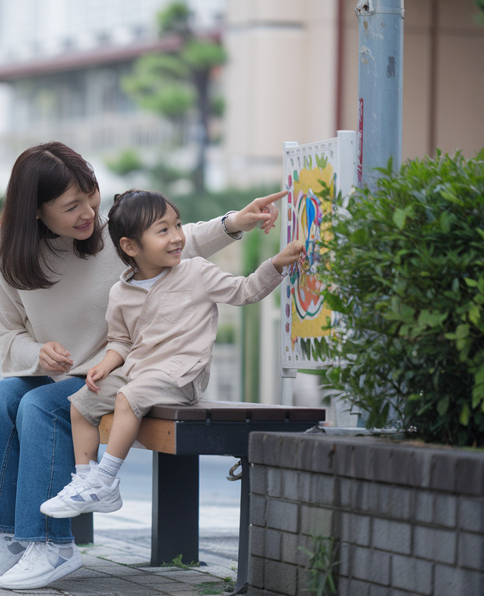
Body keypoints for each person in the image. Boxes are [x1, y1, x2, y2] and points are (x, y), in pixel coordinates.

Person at [0, 142, 285, 591]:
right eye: (71, 206)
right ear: (35, 211)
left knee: (41, 407)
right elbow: (7, 333)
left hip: (116, 369)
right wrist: (39, 353)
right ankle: (7, 537)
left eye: (90, 196)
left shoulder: (114, 235)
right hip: (53, 371)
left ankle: (53, 545)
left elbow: (178, 239)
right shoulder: (3, 249)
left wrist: (234, 222)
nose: (88, 213)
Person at [39, 189, 304, 519]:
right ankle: (84, 481)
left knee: (127, 397)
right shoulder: (121, 291)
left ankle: (105, 480)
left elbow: (245, 290)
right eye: (163, 230)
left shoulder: (196, 272)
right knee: (79, 405)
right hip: (139, 369)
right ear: (131, 246)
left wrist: (276, 265)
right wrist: (104, 366)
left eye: (177, 225)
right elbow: (120, 341)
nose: (178, 237)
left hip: (182, 374)